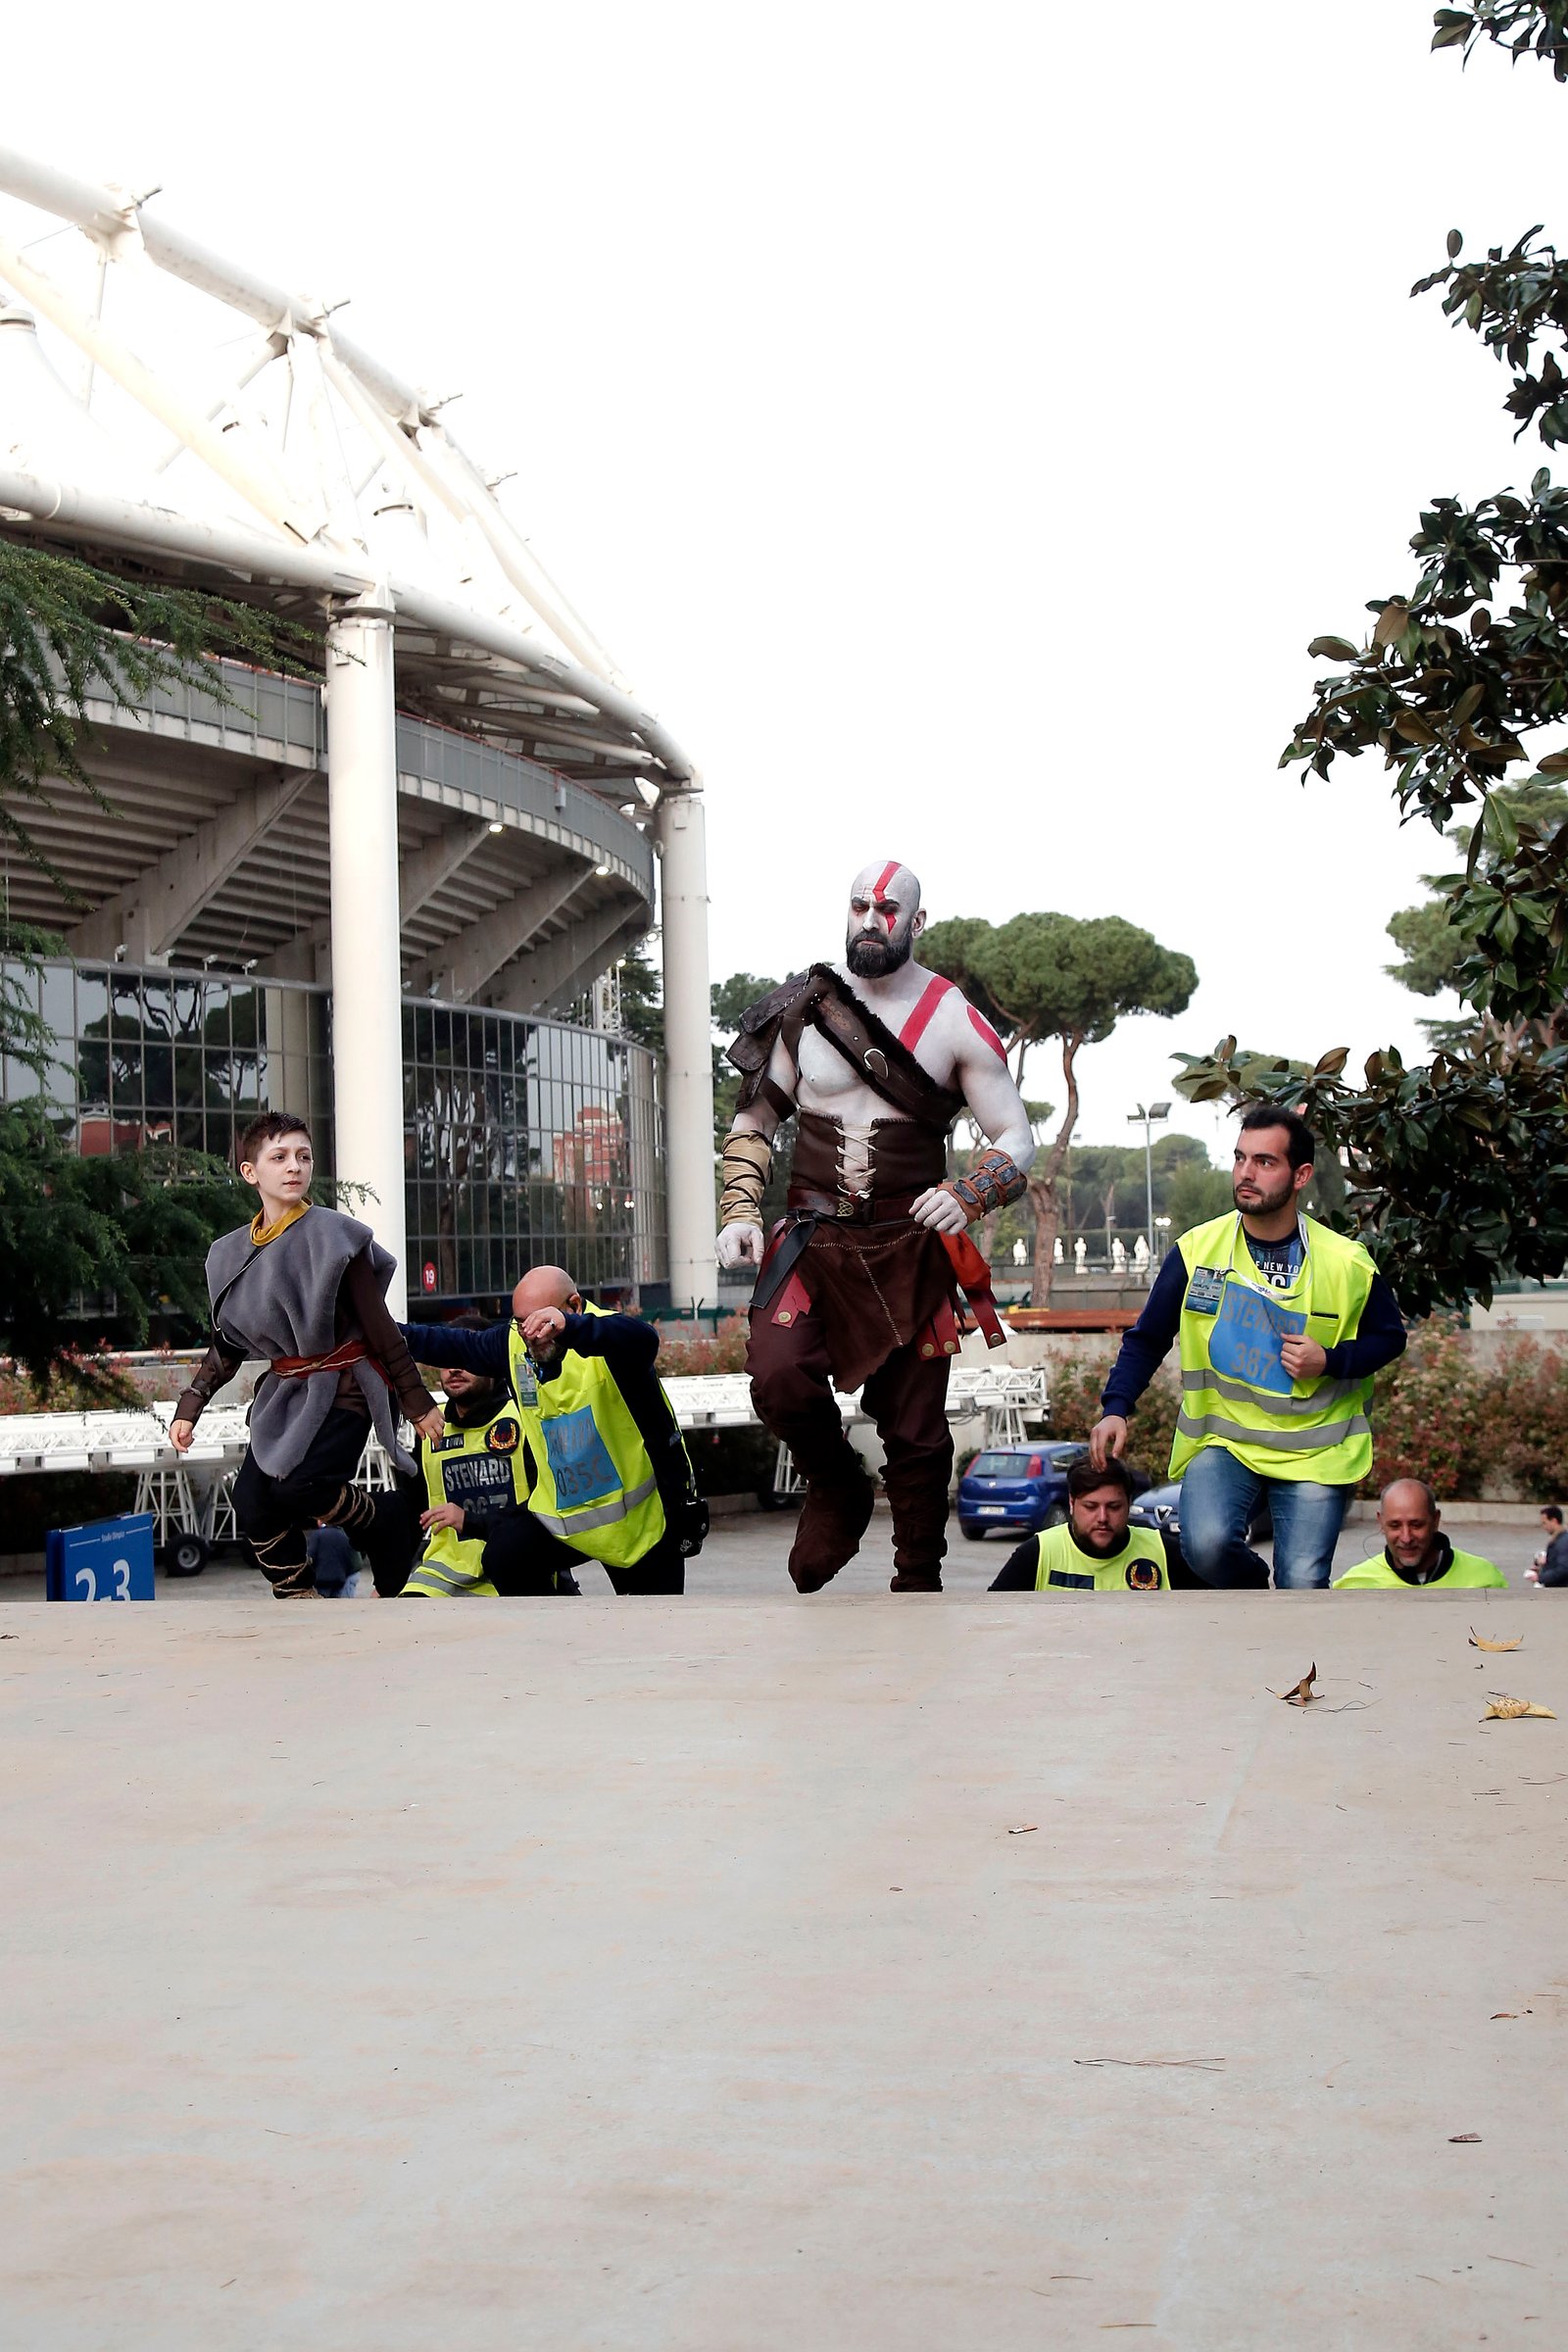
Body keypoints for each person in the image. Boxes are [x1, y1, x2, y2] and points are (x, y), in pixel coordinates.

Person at [717, 858, 1034, 1593]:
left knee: (917, 1433)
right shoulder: (805, 1007)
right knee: (777, 1375)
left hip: (911, 1249)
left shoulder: (953, 1018)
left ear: (916, 922)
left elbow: (1016, 1137)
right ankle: (836, 1485)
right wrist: (739, 1209)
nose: (870, 920)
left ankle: (917, 1580)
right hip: (812, 1240)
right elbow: (754, 1121)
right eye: (860, 905)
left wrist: (971, 1193)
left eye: (887, 910)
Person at [1089, 1107, 1406, 1590]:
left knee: (1302, 1584)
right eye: (1240, 1158)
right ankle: (1257, 1593)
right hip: (1227, 1445)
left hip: (1315, 1453)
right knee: (1205, 1548)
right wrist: (1116, 1407)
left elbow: (1390, 1338)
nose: (1245, 1173)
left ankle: (1286, 1621)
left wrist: (1330, 1360)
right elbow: (1147, 1338)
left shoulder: (1347, 1262)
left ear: (1301, 1175)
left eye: (1264, 1161)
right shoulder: (1198, 1251)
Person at [169, 1111, 443, 1598]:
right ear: (250, 1172)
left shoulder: (336, 1236)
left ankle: (385, 1519)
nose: (294, 1166)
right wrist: (191, 1406)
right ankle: (297, 1594)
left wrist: (416, 1399)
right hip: (286, 1391)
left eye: (303, 1156)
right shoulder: (229, 1253)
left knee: (301, 1486)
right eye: (279, 1157)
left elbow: (379, 1326)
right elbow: (229, 1341)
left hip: (347, 1385)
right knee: (251, 1499)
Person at [401, 1265, 703, 1595]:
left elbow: (643, 1338)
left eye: (542, 1322)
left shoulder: (611, 1337)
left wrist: (569, 1329)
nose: (532, 1335)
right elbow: (449, 1345)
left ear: (574, 1305)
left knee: (656, 1623)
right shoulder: (514, 1344)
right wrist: (380, 1332)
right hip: (565, 1520)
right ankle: (556, 1617)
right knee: (506, 1554)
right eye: (522, 1323)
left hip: (644, 1524)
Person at [396, 1358, 579, 1598]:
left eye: (465, 1358)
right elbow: (411, 1510)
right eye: (445, 1360)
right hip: (443, 1574)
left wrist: (471, 1520)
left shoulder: (524, 1419)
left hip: (514, 1569)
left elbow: (550, 1509)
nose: (454, 1368)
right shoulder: (433, 1426)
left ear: (491, 1366)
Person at [987, 1456, 1201, 1591]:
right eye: (1090, 1507)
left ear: (1129, 1504)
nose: (1102, 1518)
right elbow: (991, 1617)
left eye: (1114, 1507)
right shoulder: (1038, 1553)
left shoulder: (1164, 1552)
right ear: (1072, 1503)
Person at [1334, 1479, 1505, 1589]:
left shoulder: (1485, 1578)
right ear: (1381, 1523)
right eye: (1395, 1525)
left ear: (1435, 1520)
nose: (1406, 1537)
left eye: (1416, 1525)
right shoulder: (1354, 1585)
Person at [1528, 1503, 1568, 1586]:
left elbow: (1563, 1569)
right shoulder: (1559, 1539)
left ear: (1554, 1521)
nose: (1543, 1527)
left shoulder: (1562, 1542)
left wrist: (1540, 1577)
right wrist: (1542, 1570)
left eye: (1544, 1523)